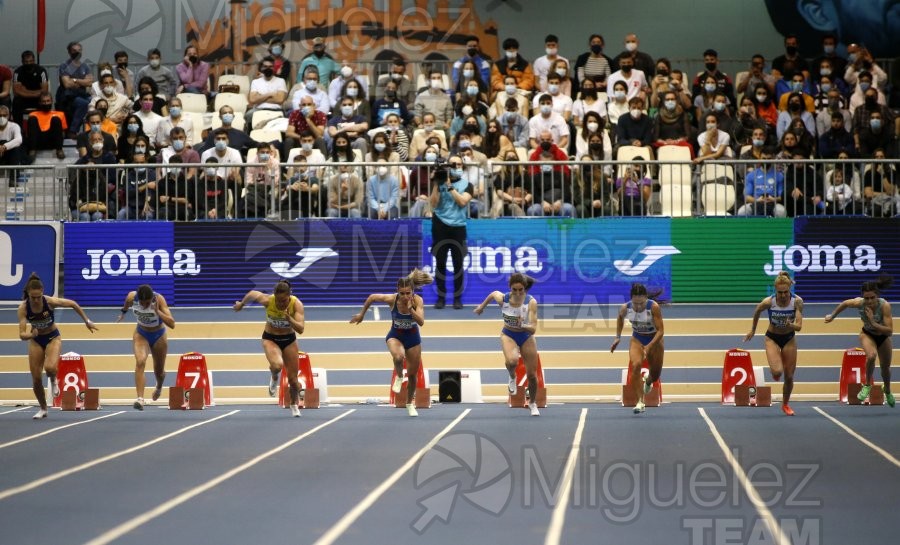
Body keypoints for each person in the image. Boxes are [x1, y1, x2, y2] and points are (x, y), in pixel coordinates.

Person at [350, 270, 433, 417]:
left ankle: (409, 404)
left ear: (413, 291)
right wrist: (361, 314)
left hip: (413, 337)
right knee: (398, 357)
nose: (406, 296)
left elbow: (421, 322)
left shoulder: (418, 301)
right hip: (396, 335)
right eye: (402, 293)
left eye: (408, 293)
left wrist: (411, 310)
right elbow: (372, 297)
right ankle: (400, 376)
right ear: (398, 292)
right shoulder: (392, 300)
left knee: (413, 375)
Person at [17, 273, 97, 419]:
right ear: (28, 294)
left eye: (38, 297)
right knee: (36, 379)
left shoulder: (50, 302)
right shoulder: (23, 308)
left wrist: (87, 320)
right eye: (32, 297)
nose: (35, 300)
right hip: (36, 340)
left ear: (42, 292)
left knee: (50, 368)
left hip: (53, 337)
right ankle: (43, 409)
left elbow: (73, 304)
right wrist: (31, 335)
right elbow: (22, 335)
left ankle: (53, 380)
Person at [233, 280, 306, 417]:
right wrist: (241, 304)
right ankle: (274, 377)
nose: (280, 304)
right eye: (278, 301)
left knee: (294, 381)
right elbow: (252, 293)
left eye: (283, 301)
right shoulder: (268, 300)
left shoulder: (296, 304)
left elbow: (301, 329)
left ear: (289, 296)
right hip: (270, 338)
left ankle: (293, 404)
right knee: (277, 365)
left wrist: (290, 319)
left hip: (289, 340)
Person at [473, 273, 541, 416]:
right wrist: (481, 307)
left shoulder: (531, 302)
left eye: (520, 290)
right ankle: (512, 377)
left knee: (532, 376)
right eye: (514, 290)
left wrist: (523, 325)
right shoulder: (503, 299)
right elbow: (492, 294)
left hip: (526, 336)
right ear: (510, 288)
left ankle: (532, 403)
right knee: (511, 361)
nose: (517, 293)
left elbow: (533, 328)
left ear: (525, 289)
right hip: (508, 334)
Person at [825, 275, 894, 407]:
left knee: (885, 368)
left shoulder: (884, 306)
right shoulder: (859, 303)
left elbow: (889, 331)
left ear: (877, 296)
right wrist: (832, 316)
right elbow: (845, 303)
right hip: (867, 334)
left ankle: (888, 389)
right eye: (866, 298)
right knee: (871, 356)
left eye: (872, 298)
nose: (869, 301)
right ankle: (867, 384)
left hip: (883, 336)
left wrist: (873, 322)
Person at [743, 272, 804, 416]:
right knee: (777, 372)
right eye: (780, 292)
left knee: (789, 376)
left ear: (790, 289)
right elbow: (757, 310)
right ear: (775, 290)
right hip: (772, 337)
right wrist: (752, 330)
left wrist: (791, 325)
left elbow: (799, 326)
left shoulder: (797, 302)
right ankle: (776, 367)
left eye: (785, 292)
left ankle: (785, 404)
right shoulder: (769, 302)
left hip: (789, 338)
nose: (783, 295)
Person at [115, 285, 175, 410]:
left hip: (159, 335)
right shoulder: (132, 297)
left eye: (147, 303)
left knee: (159, 371)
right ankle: (140, 399)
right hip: (141, 333)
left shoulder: (159, 299)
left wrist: (157, 311)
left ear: (151, 298)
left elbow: (172, 323)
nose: (144, 306)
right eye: (141, 303)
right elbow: (126, 303)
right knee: (140, 361)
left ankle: (159, 386)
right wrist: (123, 313)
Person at [610, 283, 664, 414]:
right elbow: (619, 319)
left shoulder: (654, 307)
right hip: (637, 339)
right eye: (636, 304)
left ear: (646, 298)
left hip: (655, 340)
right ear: (631, 299)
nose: (639, 307)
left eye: (641, 303)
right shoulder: (625, 308)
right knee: (635, 365)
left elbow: (661, 331)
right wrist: (617, 337)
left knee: (655, 375)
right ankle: (640, 401)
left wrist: (649, 346)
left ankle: (649, 380)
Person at [429, 155, 473, 309]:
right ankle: (441, 297)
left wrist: (449, 186)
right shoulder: (438, 182)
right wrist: (436, 183)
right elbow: (433, 204)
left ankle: (457, 298)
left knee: (458, 264)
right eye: (453, 164)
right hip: (440, 225)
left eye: (459, 164)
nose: (456, 167)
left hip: (458, 228)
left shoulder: (467, 184)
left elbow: (462, 202)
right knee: (440, 263)